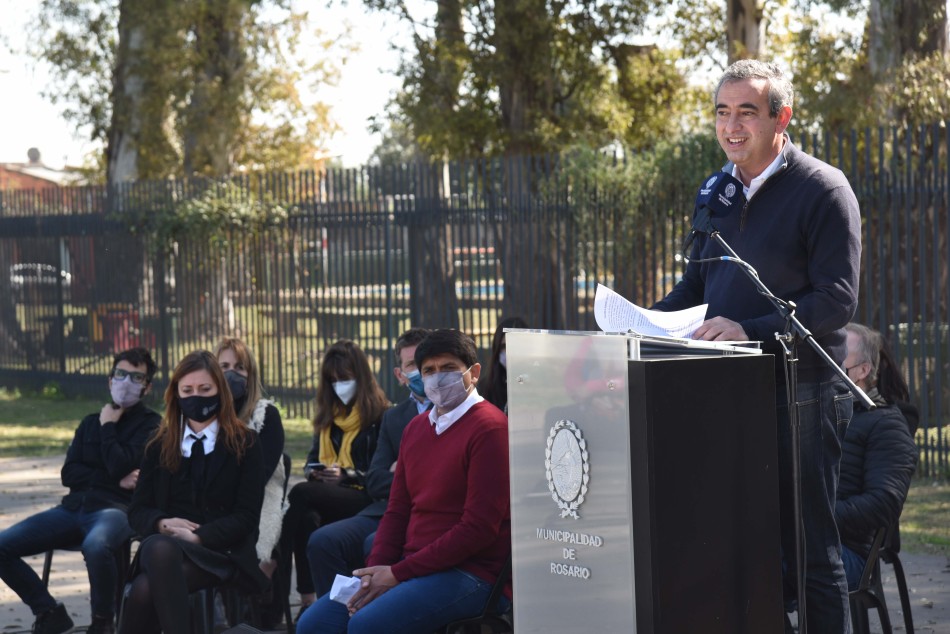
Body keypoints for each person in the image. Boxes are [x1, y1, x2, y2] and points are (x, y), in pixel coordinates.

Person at [652, 59, 861, 632]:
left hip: (801, 395)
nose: (732, 125)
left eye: (747, 111)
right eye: (723, 112)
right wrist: (641, 322)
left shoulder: (823, 189)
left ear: (780, 118)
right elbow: (697, 286)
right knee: (735, 547)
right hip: (722, 394)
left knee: (810, 550)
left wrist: (752, 329)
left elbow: (837, 301)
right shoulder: (715, 190)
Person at [296, 328, 511, 634]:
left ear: (474, 372)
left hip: (472, 573)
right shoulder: (416, 429)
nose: (438, 378)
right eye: (429, 371)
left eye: (448, 368)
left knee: (365, 626)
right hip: (413, 566)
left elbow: (478, 528)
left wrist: (397, 573)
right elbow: (397, 511)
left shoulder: (489, 429)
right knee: (315, 623)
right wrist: (375, 572)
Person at [0, 347, 160, 634]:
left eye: (136, 378)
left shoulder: (151, 425)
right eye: (120, 374)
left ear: (147, 387)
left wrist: (109, 427)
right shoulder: (89, 423)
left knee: (96, 546)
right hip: (73, 509)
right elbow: (69, 473)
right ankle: (48, 611)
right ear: (110, 380)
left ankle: (102, 622)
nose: (125, 382)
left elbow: (122, 465)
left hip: (116, 511)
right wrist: (114, 477)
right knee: (2, 545)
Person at [118, 350, 267, 634]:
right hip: (167, 545)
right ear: (176, 394)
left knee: (145, 586)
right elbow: (137, 511)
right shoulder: (159, 443)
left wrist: (198, 536)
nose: (196, 396)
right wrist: (162, 523)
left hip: (221, 551)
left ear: (220, 392)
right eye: (187, 390)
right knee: (159, 549)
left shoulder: (245, 443)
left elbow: (247, 517)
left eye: (205, 389)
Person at [305, 328, 431, 598]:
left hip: (426, 516)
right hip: (383, 510)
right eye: (411, 365)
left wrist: (403, 471)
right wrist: (407, 476)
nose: (421, 370)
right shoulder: (395, 418)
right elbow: (375, 480)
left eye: (426, 362)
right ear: (400, 375)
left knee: (373, 544)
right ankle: (339, 617)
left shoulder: (458, 411)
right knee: (322, 541)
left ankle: (371, 616)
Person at [281, 339, 389, 619]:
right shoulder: (328, 417)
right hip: (328, 493)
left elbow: (378, 474)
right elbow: (310, 460)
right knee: (304, 516)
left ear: (360, 377)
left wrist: (345, 475)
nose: (338, 385)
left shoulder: (381, 416)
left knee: (300, 494)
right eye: (332, 380)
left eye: (345, 379)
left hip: (363, 495)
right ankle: (311, 599)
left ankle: (276, 571)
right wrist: (315, 471)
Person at [837, 323, 918, 590]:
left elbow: (883, 502)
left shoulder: (886, 424)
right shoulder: (817, 413)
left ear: (863, 370)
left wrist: (818, 517)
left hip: (845, 552)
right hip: (809, 541)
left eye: (837, 361)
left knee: (762, 563)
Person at [215, 336, 287, 628]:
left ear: (251, 373)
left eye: (240, 367)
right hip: (214, 500)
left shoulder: (266, 414)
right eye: (224, 366)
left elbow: (262, 473)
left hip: (259, 500)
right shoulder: (202, 413)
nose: (232, 373)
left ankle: (243, 607)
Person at [480, 316, 528, 414]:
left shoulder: (540, 383)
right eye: (504, 346)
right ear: (497, 350)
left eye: (516, 344)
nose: (509, 351)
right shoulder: (485, 388)